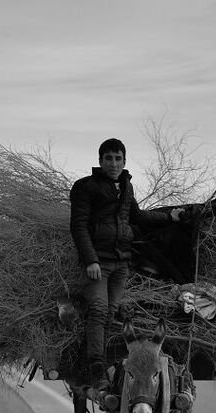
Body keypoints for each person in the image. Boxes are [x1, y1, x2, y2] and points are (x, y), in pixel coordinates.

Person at [70, 137, 183, 393]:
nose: (113, 163)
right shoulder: (85, 187)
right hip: (98, 262)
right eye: (108, 158)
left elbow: (137, 216)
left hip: (121, 262)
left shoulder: (125, 187)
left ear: (124, 161)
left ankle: (109, 365)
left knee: (111, 313)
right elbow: (78, 226)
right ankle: (96, 369)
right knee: (98, 309)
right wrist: (90, 260)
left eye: (118, 158)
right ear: (100, 161)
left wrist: (170, 217)